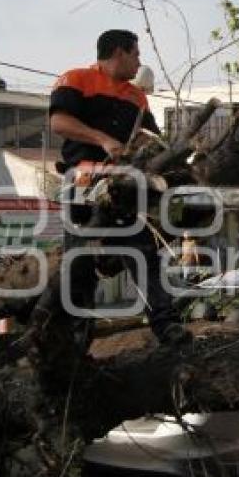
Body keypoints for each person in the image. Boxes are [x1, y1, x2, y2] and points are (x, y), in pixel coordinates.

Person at [50, 29, 184, 345]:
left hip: (123, 184)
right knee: (79, 261)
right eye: (136, 54)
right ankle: (76, 337)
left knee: (142, 251)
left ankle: (165, 324)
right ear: (119, 53)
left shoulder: (137, 96)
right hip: (84, 179)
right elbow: (59, 123)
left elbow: (150, 139)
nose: (139, 61)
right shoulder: (76, 79)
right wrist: (103, 140)